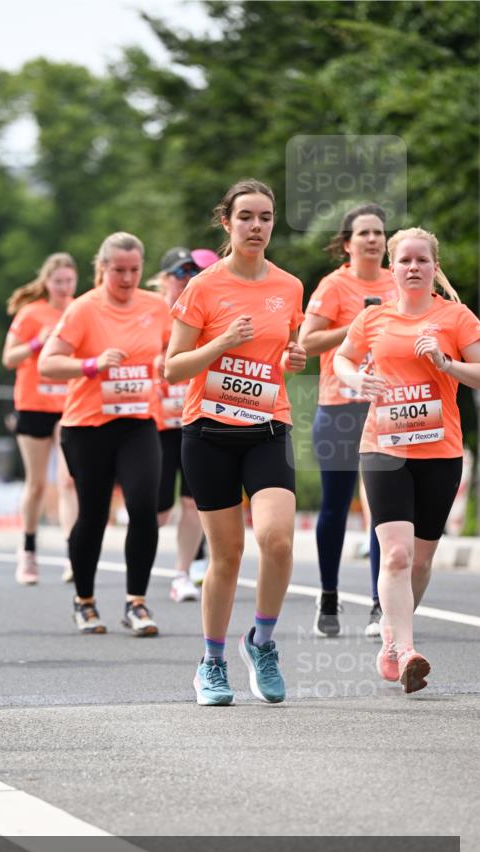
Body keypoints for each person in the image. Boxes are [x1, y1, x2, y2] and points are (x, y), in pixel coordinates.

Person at [165, 178, 306, 706]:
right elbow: (172, 366)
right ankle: (211, 662)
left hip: (268, 427)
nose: (256, 227)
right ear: (227, 223)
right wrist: (222, 342)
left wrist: (294, 358)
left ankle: (262, 642)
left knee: (278, 540)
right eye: (246, 217)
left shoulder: (289, 286)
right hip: (208, 432)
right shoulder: (203, 287)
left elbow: (289, 348)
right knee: (226, 554)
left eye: (265, 217)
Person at [334, 228, 480, 693]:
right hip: (383, 449)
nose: (413, 267)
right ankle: (406, 649)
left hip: (439, 451)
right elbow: (341, 359)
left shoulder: (456, 318)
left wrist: (446, 364)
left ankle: (392, 640)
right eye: (404, 261)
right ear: (392, 268)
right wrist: (356, 381)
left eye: (422, 260)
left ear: (434, 267)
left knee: (419, 562)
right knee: (395, 555)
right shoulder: (373, 319)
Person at [39, 232, 170, 635]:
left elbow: (172, 348)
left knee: (144, 506)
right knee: (93, 515)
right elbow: (48, 363)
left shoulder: (157, 306)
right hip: (88, 426)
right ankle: (85, 600)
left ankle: (137, 603)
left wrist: (167, 361)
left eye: (134, 270)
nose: (127, 279)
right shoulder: (83, 309)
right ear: (103, 268)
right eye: (118, 271)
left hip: (138, 421)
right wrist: (92, 364)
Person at [299, 204, 396, 639]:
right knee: (336, 506)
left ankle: (381, 605)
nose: (373, 239)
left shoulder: (399, 283)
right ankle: (329, 595)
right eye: (364, 234)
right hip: (339, 406)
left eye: (379, 232)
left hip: (386, 406)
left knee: (381, 507)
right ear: (347, 243)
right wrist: (356, 326)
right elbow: (308, 340)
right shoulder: (335, 285)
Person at [2, 253, 79, 585]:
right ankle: (28, 551)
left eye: (68, 281)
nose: (63, 288)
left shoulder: (82, 309)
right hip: (34, 404)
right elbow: (8, 358)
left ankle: (74, 554)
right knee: (36, 484)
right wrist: (38, 342)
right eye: (57, 281)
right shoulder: (31, 313)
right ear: (47, 283)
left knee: (69, 481)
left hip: (71, 404)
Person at [152, 246, 219, 603]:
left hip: (193, 417)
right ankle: (142, 562)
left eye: (192, 273)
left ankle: (182, 573)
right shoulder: (148, 311)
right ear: (164, 278)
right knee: (159, 512)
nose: (186, 280)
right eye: (180, 273)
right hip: (155, 424)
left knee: (193, 503)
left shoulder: (201, 312)